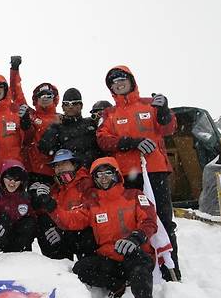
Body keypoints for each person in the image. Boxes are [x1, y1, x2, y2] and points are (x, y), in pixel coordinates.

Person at [48, 157, 159, 298]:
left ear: (116, 174)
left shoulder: (134, 195)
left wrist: (135, 239)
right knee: (82, 268)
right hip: (110, 258)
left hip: (135, 253)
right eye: (99, 175)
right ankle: (117, 284)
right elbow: (72, 220)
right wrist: (52, 207)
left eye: (108, 173)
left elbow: (149, 221)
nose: (104, 178)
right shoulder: (93, 203)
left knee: (140, 268)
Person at [96, 66, 179, 280]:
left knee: (163, 219)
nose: (119, 83)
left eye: (122, 79)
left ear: (131, 81)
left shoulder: (150, 104)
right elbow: (103, 140)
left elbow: (169, 128)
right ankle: (140, 266)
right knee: (134, 221)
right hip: (129, 175)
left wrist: (164, 110)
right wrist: (131, 142)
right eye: (114, 82)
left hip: (155, 171)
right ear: (111, 88)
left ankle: (170, 269)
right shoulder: (110, 113)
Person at [31, 149, 96, 260]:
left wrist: (62, 230)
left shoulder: (87, 183)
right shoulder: (55, 188)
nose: (60, 168)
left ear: (74, 165)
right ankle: (58, 266)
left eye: (64, 163)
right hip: (65, 234)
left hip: (84, 235)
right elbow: (44, 213)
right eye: (56, 165)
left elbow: (88, 215)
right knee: (44, 224)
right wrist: (36, 198)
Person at [0, 160, 36, 256]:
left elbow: (31, 215)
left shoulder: (24, 196)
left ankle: (18, 255)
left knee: (28, 223)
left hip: (13, 236)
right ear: (2, 177)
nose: (12, 182)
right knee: (3, 218)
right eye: (9, 178)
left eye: (16, 179)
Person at [39, 88, 102, 169]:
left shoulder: (91, 123)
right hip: (68, 173)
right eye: (67, 104)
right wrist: (65, 159)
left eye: (75, 103)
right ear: (62, 107)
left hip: (92, 172)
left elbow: (103, 145)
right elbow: (44, 147)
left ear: (81, 105)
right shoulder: (57, 127)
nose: (70, 107)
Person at [0, 73, 29, 173]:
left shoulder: (17, 111)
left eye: (0, 87)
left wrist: (26, 124)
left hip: (17, 170)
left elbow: (29, 139)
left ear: (6, 89)